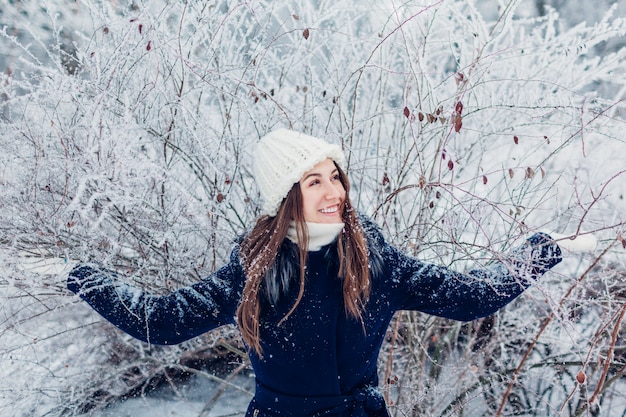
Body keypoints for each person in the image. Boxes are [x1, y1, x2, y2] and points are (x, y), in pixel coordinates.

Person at [67, 128, 564, 417]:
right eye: (314, 181)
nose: (335, 192)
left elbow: (468, 296)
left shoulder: (375, 261)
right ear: (286, 197)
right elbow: (161, 321)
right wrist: (79, 275)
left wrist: (539, 252)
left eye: (335, 176)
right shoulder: (253, 271)